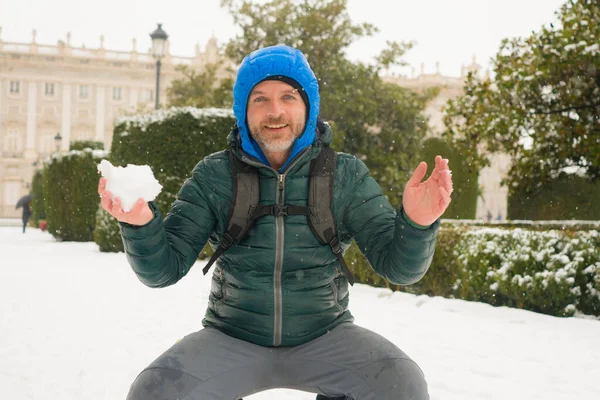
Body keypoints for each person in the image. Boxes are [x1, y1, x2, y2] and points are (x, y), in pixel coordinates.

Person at [99, 45, 453, 400]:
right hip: (232, 336)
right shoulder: (214, 175)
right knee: (154, 390)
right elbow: (164, 270)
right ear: (243, 110)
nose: (275, 111)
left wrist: (417, 223)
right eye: (260, 99)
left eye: (288, 96)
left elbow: (399, 269)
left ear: (308, 106)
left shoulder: (346, 175)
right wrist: (141, 225)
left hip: (326, 336)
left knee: (401, 384)